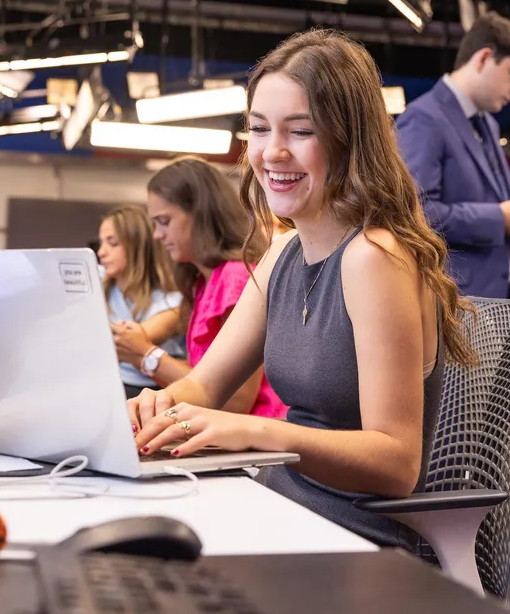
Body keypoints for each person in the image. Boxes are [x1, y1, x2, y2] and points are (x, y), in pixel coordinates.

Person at [129, 29, 476, 548]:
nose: (272, 153)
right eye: (259, 129)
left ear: (348, 139)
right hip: (278, 512)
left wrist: (255, 433)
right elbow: (204, 388)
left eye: (301, 131)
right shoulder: (283, 254)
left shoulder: (374, 258)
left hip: (352, 540)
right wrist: (150, 410)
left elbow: (398, 463)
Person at [111, 157, 287, 418]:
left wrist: (146, 356)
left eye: (164, 221)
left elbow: (236, 401)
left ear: (199, 215)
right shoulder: (205, 283)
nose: (158, 235)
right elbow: (202, 373)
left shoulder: (235, 278)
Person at [396, 11, 510, 299]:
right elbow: (414, 214)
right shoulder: (424, 118)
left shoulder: (487, 122)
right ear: (483, 58)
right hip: (455, 304)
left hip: (497, 301)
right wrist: (499, 218)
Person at [96, 205, 185, 399]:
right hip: (112, 384)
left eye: (112, 243)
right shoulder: (98, 283)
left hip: (152, 391)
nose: (101, 252)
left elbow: (128, 340)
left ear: (137, 246)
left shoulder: (172, 301)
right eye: (101, 243)